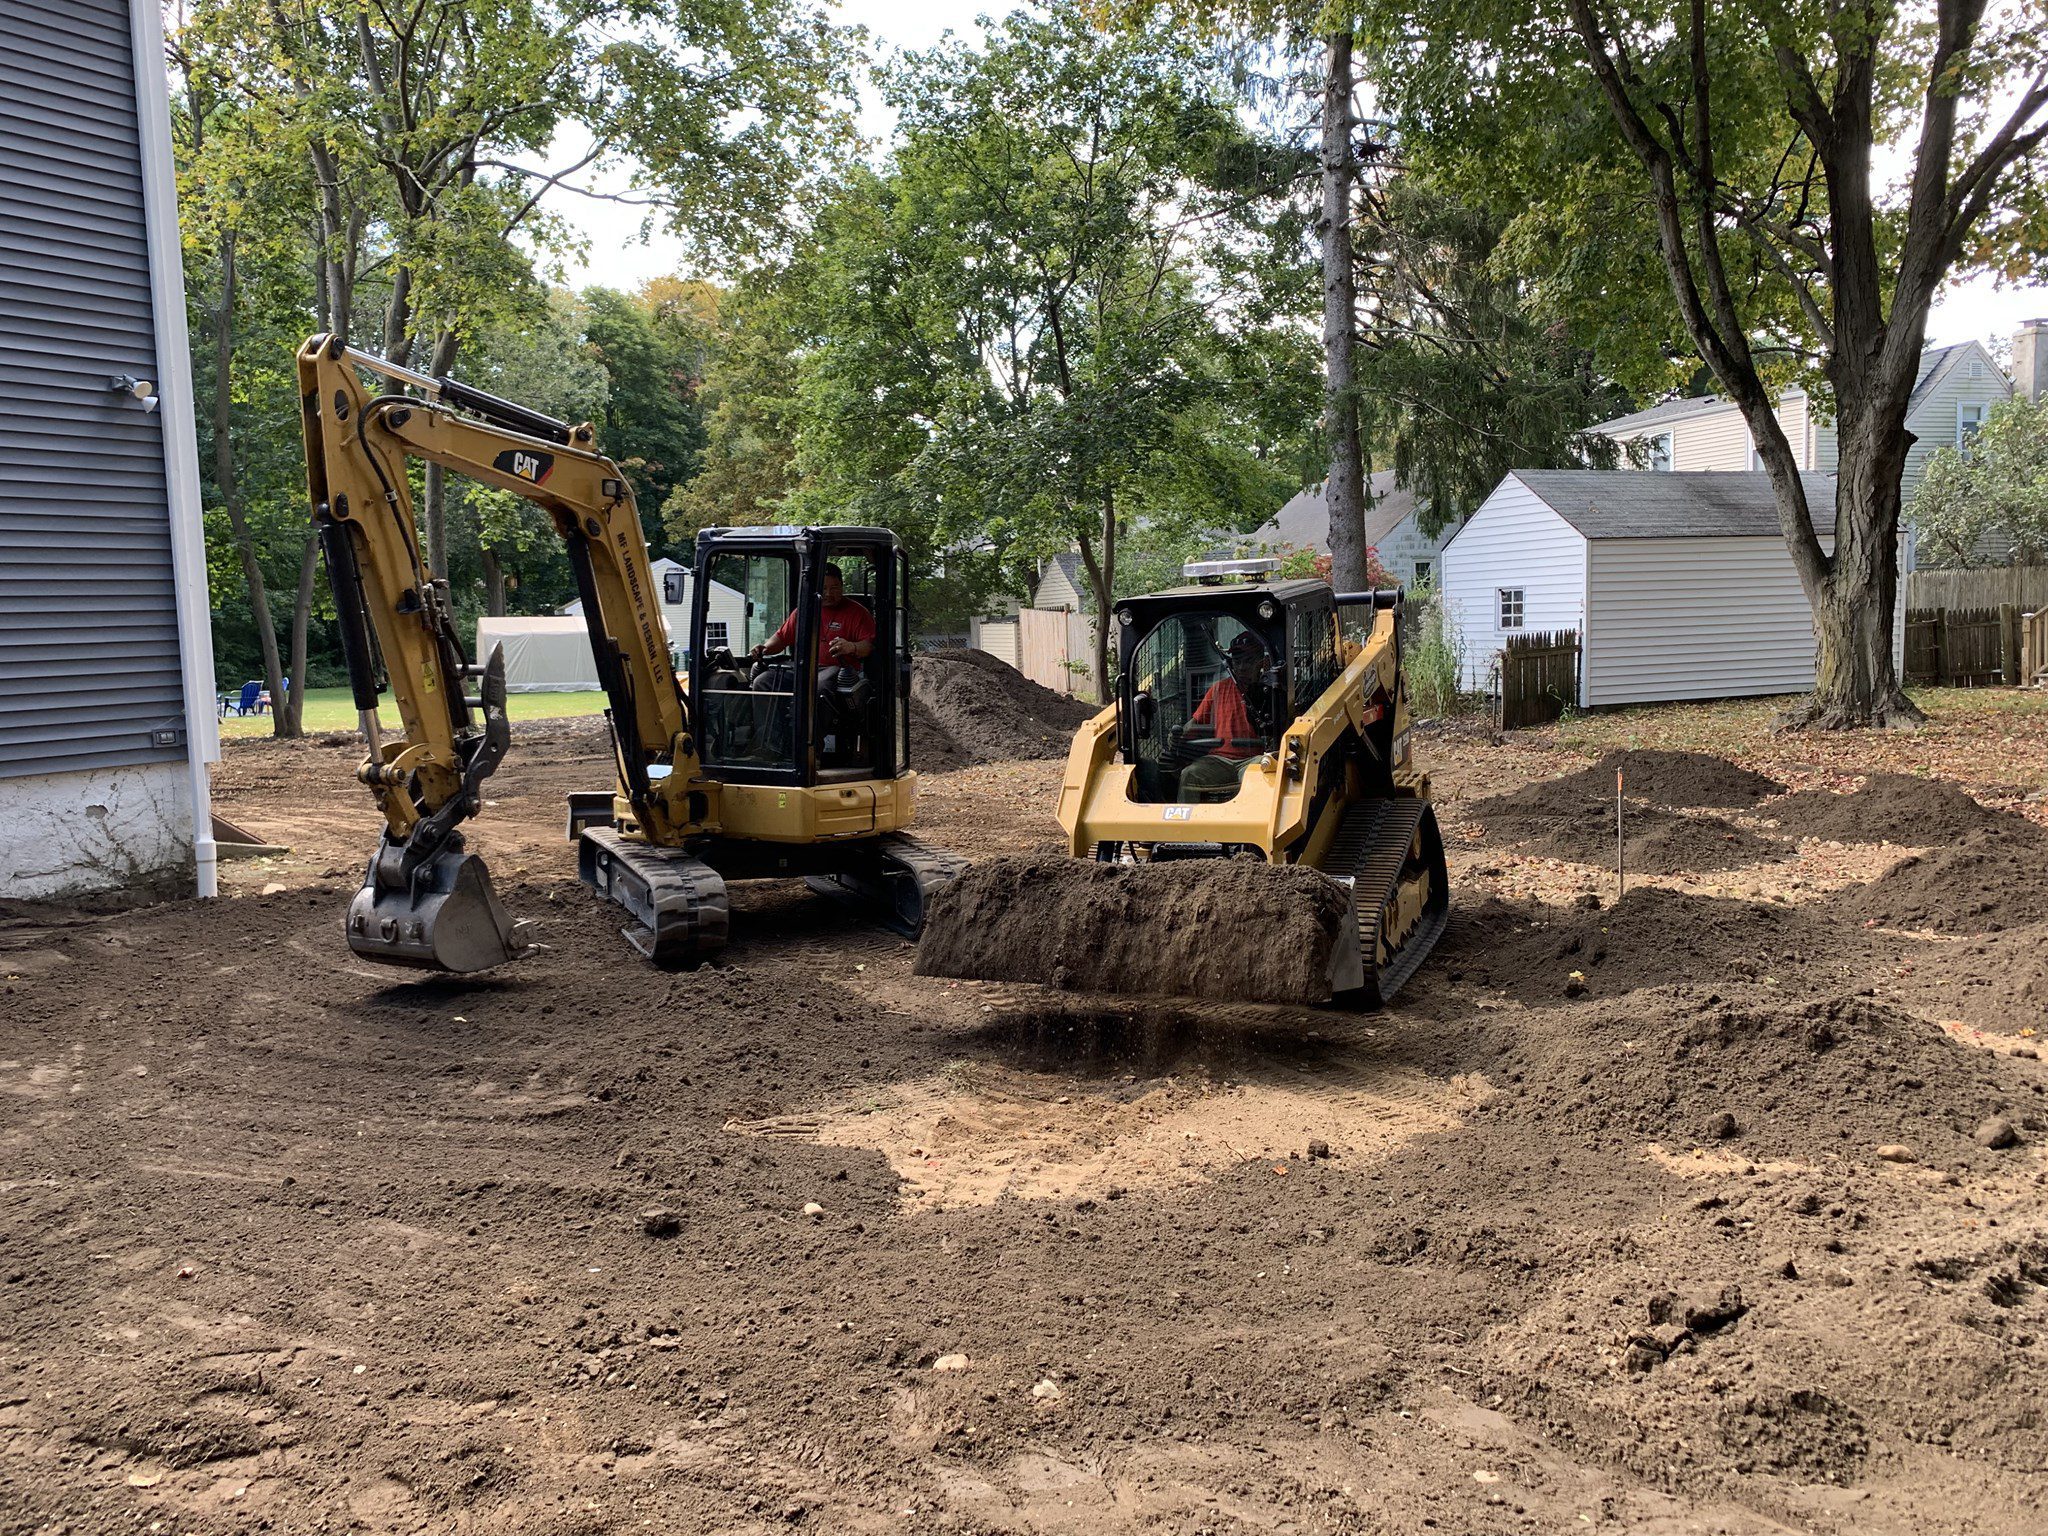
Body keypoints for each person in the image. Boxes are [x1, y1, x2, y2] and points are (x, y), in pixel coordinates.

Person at [747, 563, 877, 758]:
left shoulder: (857, 613)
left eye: (834, 588)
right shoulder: (804, 611)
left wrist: (851, 646)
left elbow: (869, 646)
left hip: (837, 669)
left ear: (842, 586)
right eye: (824, 588)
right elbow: (781, 638)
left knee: (818, 688)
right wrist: (764, 648)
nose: (829, 593)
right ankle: (771, 745)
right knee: (763, 681)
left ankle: (809, 749)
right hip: (803, 667)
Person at [1178, 630, 1276, 801]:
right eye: (1237, 661)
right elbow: (1194, 723)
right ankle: (1184, 818)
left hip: (1254, 758)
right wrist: (1180, 733)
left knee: (1259, 775)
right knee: (1190, 774)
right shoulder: (1219, 689)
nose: (1242, 667)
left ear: (1262, 662)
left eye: (1248, 661)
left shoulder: (1271, 692)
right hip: (1219, 760)